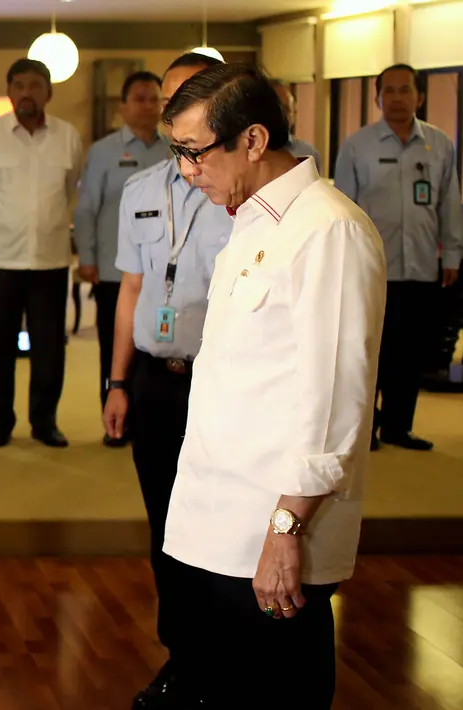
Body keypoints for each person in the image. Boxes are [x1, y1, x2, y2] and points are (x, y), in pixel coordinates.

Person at [162, 63, 385, 708]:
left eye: (195, 153)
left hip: (272, 533)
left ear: (253, 140)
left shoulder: (328, 229)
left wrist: (286, 529)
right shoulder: (252, 222)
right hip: (214, 523)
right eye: (178, 154)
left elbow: (335, 400)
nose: (186, 172)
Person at [100, 52, 231, 710]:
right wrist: (115, 382)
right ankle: (183, 658)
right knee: (167, 528)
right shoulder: (142, 190)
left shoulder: (242, 190)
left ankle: (226, 661)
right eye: (171, 100)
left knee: (224, 524)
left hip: (224, 385)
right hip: (154, 379)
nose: (178, 114)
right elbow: (129, 288)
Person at [335, 63, 462, 451]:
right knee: (370, 350)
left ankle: (398, 427)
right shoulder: (358, 146)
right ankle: (364, 429)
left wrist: (452, 253)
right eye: (388, 91)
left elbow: (449, 203)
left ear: (419, 96)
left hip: (422, 266)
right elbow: (342, 208)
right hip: (372, 268)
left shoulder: (439, 144)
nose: (396, 98)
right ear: (377, 98)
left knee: (410, 353)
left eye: (404, 90)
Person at [0, 58, 83, 448]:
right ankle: (0, 422)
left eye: (35, 85)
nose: (26, 93)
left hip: (50, 260)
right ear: (9, 90)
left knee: (50, 348)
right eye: (19, 85)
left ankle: (44, 421)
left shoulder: (68, 136)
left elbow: (69, 192)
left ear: (49, 91)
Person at [72, 69, 167, 447]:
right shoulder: (103, 151)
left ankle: (149, 417)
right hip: (116, 270)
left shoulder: (174, 149)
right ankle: (114, 419)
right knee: (114, 348)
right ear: (123, 105)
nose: (147, 106)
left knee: (157, 347)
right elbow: (86, 210)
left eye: (153, 99)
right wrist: (88, 257)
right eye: (139, 98)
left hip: (163, 272)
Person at [269, 79, 322, 169]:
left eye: (286, 110)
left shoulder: (308, 154)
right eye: (276, 110)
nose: (281, 116)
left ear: (294, 114)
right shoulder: (248, 153)